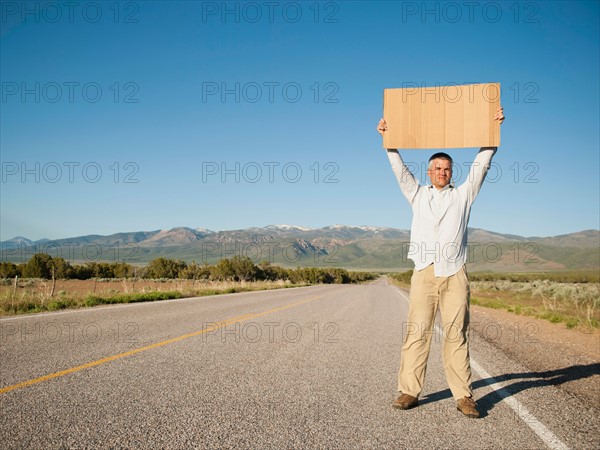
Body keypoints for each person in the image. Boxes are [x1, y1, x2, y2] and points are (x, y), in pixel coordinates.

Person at [377, 107, 505, 418]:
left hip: (455, 273)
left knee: (455, 334)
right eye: (436, 168)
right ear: (428, 172)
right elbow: (399, 171)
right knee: (417, 332)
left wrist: (492, 133)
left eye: (446, 168)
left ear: (452, 173)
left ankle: (463, 396)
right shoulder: (417, 195)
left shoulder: (463, 196)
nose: (441, 172)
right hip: (424, 272)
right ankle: (408, 390)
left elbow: (481, 166)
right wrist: (388, 140)